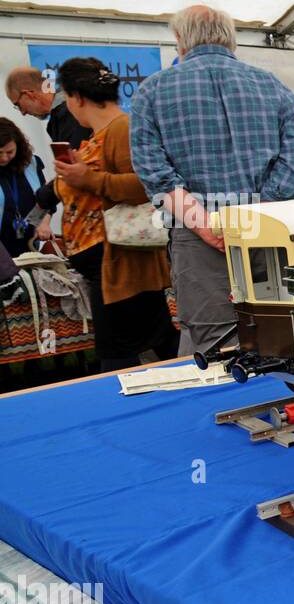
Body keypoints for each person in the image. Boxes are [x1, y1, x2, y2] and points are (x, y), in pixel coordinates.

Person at [131, 4, 294, 358]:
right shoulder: (273, 86)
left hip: (198, 238)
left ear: (180, 40)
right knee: (281, 338)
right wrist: (255, 217)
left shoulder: (152, 91)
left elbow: (153, 169)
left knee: (214, 347)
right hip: (269, 233)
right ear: (231, 39)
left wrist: (203, 223)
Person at [34, 58, 177, 371]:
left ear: (78, 98)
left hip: (119, 262)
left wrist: (87, 179)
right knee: (153, 340)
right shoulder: (98, 135)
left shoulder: (122, 129)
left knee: (117, 353)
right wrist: (74, 176)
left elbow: (145, 185)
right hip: (111, 262)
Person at [5, 65, 93, 151]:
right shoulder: (57, 120)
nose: (23, 113)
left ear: (29, 95)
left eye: (18, 105)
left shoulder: (72, 111)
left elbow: (78, 159)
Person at [0, 118, 46, 257]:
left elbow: (46, 199)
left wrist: (43, 223)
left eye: (9, 152)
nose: (4, 158)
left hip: (29, 244)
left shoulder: (31, 163)